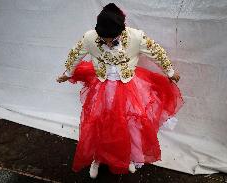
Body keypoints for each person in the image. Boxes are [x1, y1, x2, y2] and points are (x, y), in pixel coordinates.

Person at [57, 3, 184, 179]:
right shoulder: (90, 38)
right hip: (102, 87)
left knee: (130, 122)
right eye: (104, 39)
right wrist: (68, 73)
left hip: (128, 87)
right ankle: (98, 158)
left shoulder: (136, 37)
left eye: (111, 38)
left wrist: (169, 71)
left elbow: (156, 52)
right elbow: (75, 53)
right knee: (99, 120)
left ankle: (128, 156)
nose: (108, 43)